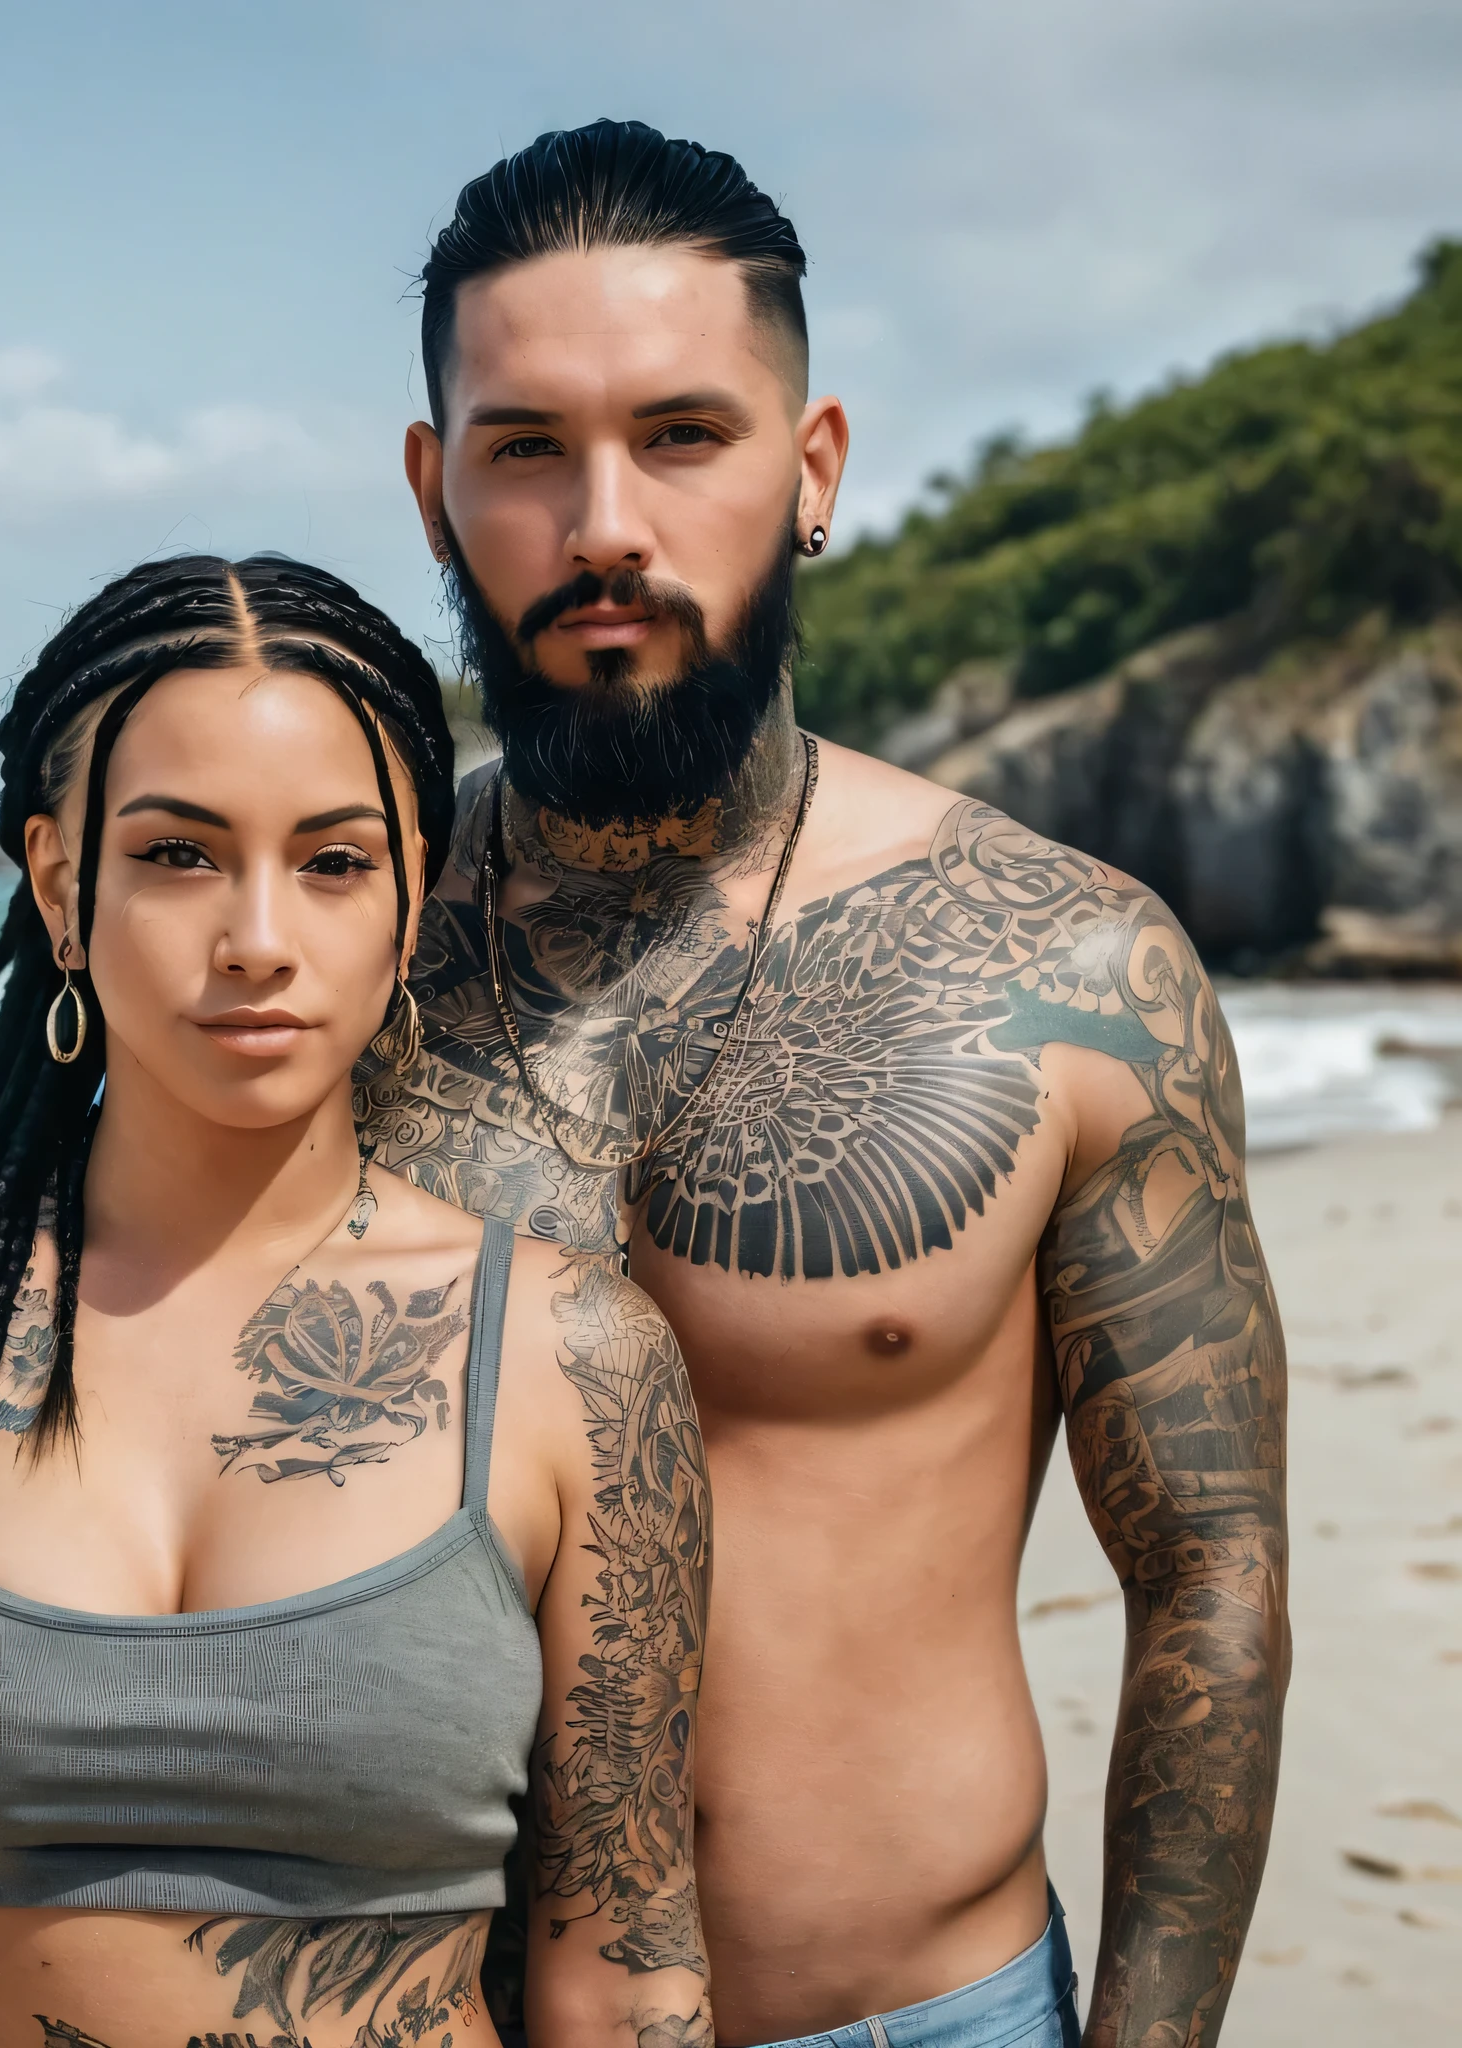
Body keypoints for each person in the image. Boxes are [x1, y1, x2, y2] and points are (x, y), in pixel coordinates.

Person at [357, 121, 1290, 2048]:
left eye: (683, 435)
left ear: (814, 471)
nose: (605, 521)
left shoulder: (1069, 972)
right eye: (528, 448)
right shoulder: (323, 978)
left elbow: (1209, 1573)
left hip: (916, 2014)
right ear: (439, 496)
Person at [0, 554, 716, 2048]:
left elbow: (626, 1973)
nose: (259, 939)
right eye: (176, 855)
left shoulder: (564, 1357)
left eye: (336, 862)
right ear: (57, 886)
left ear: (411, 902)